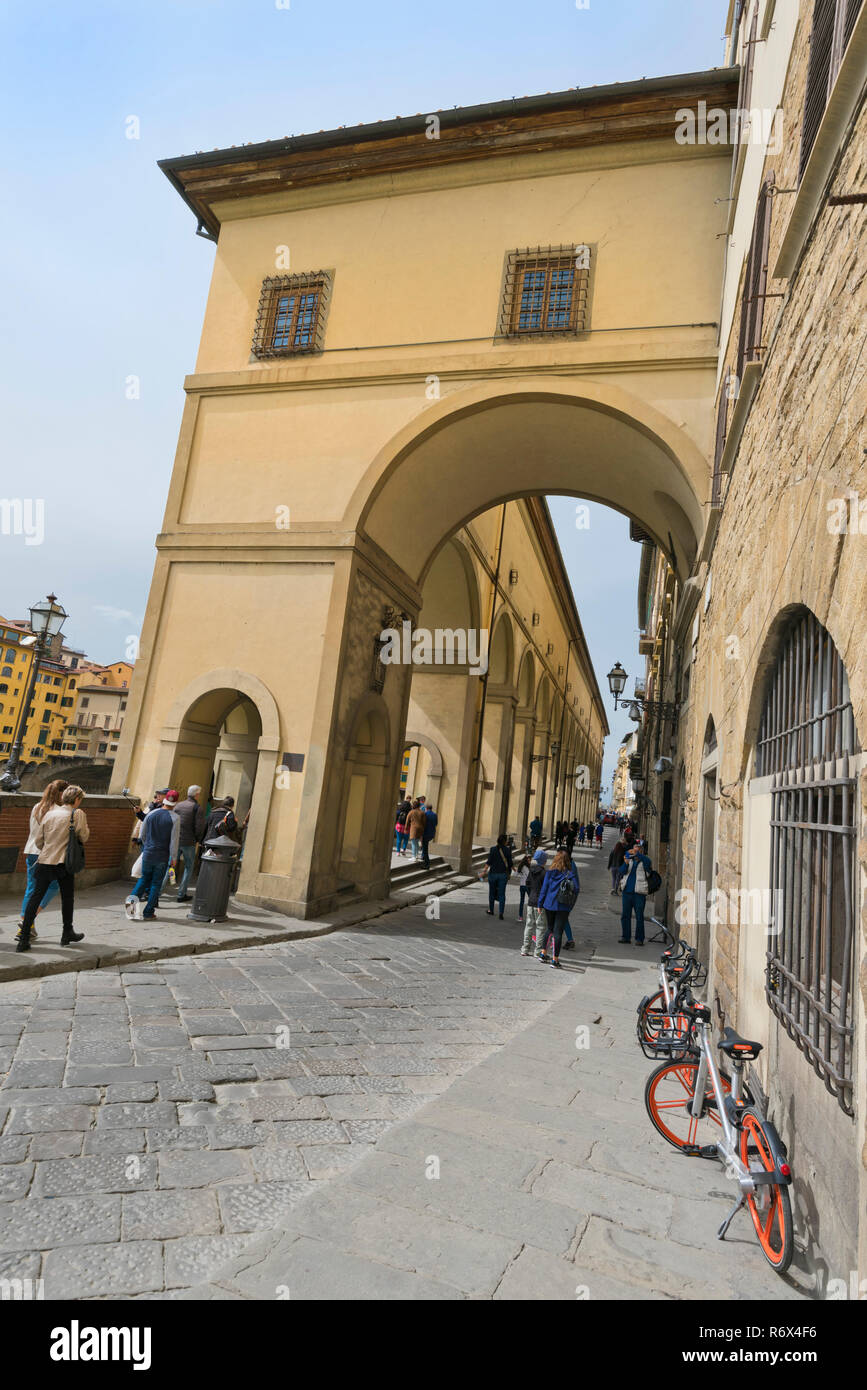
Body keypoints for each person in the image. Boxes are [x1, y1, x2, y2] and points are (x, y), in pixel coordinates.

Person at [17, 785, 89, 952]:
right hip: (64, 862)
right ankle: (66, 933)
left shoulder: (49, 813)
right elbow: (83, 836)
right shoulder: (77, 814)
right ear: (77, 799)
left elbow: (39, 841)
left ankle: (24, 938)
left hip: (45, 860)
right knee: (67, 898)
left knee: (35, 897)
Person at [14, 778, 68, 943]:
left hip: (31, 850)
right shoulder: (59, 811)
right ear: (61, 793)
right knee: (53, 886)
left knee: (32, 888)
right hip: (47, 854)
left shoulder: (37, 807)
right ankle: (26, 921)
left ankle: (28, 926)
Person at [126, 792, 181, 922]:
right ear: (175, 803)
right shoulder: (175, 818)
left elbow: (143, 834)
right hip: (162, 855)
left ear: (165, 801)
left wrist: (148, 846)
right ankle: (148, 912)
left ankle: (131, 910)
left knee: (144, 879)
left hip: (149, 852)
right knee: (156, 884)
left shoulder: (151, 814)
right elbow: (174, 840)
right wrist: (173, 857)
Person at [536, 849, 580, 968]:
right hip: (563, 906)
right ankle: (555, 960)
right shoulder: (570, 873)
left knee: (549, 929)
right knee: (558, 932)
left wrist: (540, 904)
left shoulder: (550, 872)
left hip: (549, 904)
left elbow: (544, 889)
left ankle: (543, 953)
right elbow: (576, 888)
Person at [162, 786, 203, 902]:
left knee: (171, 865)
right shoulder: (197, 808)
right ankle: (181, 894)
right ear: (197, 795)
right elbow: (199, 827)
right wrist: (197, 839)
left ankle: (159, 890)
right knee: (188, 867)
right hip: (189, 842)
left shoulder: (178, 805)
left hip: (176, 840)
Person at [618, 842, 653, 945]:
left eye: (637, 851)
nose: (635, 853)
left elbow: (648, 866)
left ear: (641, 851)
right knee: (625, 916)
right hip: (627, 892)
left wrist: (637, 854)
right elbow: (622, 871)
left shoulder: (645, 861)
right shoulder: (630, 861)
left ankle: (639, 939)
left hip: (639, 893)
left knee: (639, 917)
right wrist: (626, 862)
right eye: (634, 850)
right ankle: (626, 937)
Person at [521, 849, 547, 955]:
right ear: (543, 861)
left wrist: (531, 893)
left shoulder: (531, 871)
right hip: (540, 903)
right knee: (540, 927)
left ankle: (525, 949)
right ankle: (538, 950)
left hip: (531, 901)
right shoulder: (544, 873)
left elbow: (527, 884)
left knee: (529, 925)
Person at [481, 833, 512, 920]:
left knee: (492, 892)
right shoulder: (507, 850)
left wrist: (484, 872)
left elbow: (489, 862)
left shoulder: (493, 849)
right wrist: (513, 869)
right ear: (505, 841)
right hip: (503, 875)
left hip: (493, 875)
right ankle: (501, 913)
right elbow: (510, 863)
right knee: (502, 894)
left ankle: (491, 910)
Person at [421, 802, 438, 870]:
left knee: (425, 849)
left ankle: (426, 864)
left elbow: (423, 824)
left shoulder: (425, 814)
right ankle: (424, 858)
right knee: (425, 847)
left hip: (426, 833)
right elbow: (436, 823)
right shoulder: (435, 814)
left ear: (426, 808)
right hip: (432, 833)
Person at [516, 852, 531, 921]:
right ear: (526, 860)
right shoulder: (526, 867)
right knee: (531, 901)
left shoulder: (520, 866)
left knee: (521, 901)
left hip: (522, 885)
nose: (530, 861)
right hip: (527, 885)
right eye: (529, 859)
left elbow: (516, 874)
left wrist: (521, 875)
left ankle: (520, 916)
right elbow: (529, 875)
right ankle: (532, 917)